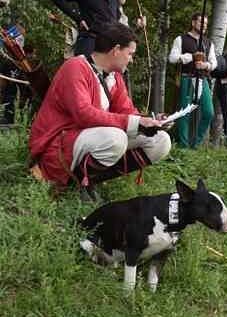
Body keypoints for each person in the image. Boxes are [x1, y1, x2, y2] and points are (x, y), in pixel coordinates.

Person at [29, 22, 172, 202]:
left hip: (86, 138)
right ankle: (72, 181)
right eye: (130, 54)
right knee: (116, 138)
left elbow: (127, 111)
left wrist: (151, 121)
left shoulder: (115, 77)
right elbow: (83, 114)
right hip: (60, 141)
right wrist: (135, 123)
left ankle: (87, 180)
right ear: (116, 50)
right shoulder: (75, 67)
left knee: (160, 141)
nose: (132, 59)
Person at [168, 13, 217, 148]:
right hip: (186, 78)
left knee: (209, 112)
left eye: (206, 24)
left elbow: (214, 63)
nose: (204, 26)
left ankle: (195, 144)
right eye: (201, 22)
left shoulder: (208, 42)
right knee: (184, 113)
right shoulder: (181, 39)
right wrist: (190, 57)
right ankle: (183, 146)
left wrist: (205, 65)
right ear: (193, 22)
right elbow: (172, 58)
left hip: (202, 78)